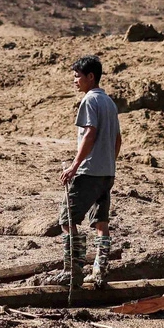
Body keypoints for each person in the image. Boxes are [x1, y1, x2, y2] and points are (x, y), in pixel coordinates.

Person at [49, 55, 121, 288]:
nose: (75, 81)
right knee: (101, 222)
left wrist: (74, 165)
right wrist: (109, 162)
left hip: (89, 172)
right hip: (107, 172)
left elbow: (90, 133)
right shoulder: (109, 102)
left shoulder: (90, 101)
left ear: (91, 77)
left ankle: (74, 270)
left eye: (77, 77)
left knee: (66, 218)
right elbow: (118, 140)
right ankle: (100, 271)